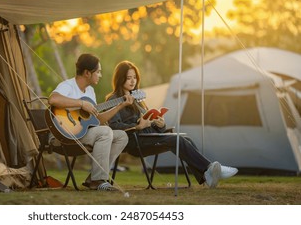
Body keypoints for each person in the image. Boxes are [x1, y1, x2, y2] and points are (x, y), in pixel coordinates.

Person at [106, 60, 238, 188]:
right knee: (177, 139)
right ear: (120, 78)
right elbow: (114, 127)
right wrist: (137, 127)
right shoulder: (113, 100)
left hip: (147, 137)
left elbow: (148, 123)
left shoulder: (137, 98)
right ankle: (211, 169)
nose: (133, 81)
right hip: (133, 142)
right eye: (128, 77)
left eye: (134, 77)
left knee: (186, 139)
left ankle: (206, 176)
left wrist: (159, 124)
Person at [48, 54, 134, 191]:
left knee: (122, 136)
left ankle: (93, 178)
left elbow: (97, 120)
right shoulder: (68, 85)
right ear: (87, 73)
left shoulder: (90, 91)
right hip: (62, 135)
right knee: (105, 132)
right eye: (98, 72)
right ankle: (98, 180)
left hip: (81, 134)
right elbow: (53, 99)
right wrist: (81, 104)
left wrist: (119, 106)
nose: (100, 75)